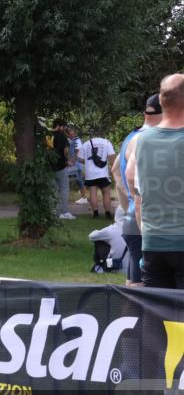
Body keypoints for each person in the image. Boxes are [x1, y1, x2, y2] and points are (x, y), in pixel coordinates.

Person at [126, 73, 184, 290]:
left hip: (153, 244)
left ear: (161, 101)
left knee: (157, 316)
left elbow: (135, 192)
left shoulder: (140, 141)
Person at [113, 94, 162, 286]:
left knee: (132, 286)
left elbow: (116, 171)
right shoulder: (146, 139)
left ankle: (131, 317)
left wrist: (127, 206)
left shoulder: (132, 136)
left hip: (132, 219)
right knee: (142, 290)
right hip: (144, 223)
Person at [77, 130, 117, 219]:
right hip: (103, 173)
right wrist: (113, 169)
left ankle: (95, 213)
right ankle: (108, 213)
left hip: (90, 173)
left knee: (93, 192)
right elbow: (112, 157)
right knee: (106, 193)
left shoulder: (86, 144)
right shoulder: (106, 142)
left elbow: (80, 159)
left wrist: (87, 163)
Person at [48, 118, 75, 220]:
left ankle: (54, 213)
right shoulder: (61, 136)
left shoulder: (47, 135)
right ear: (59, 126)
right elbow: (65, 150)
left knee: (52, 190)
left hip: (49, 166)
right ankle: (64, 212)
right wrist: (68, 161)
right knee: (64, 189)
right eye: (63, 127)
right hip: (60, 166)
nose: (64, 129)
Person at [66, 125, 88, 204]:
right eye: (68, 133)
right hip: (74, 163)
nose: (69, 134)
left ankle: (84, 198)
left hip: (77, 163)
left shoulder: (77, 141)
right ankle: (83, 197)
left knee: (79, 180)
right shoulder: (71, 140)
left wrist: (72, 161)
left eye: (70, 132)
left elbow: (78, 151)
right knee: (79, 180)